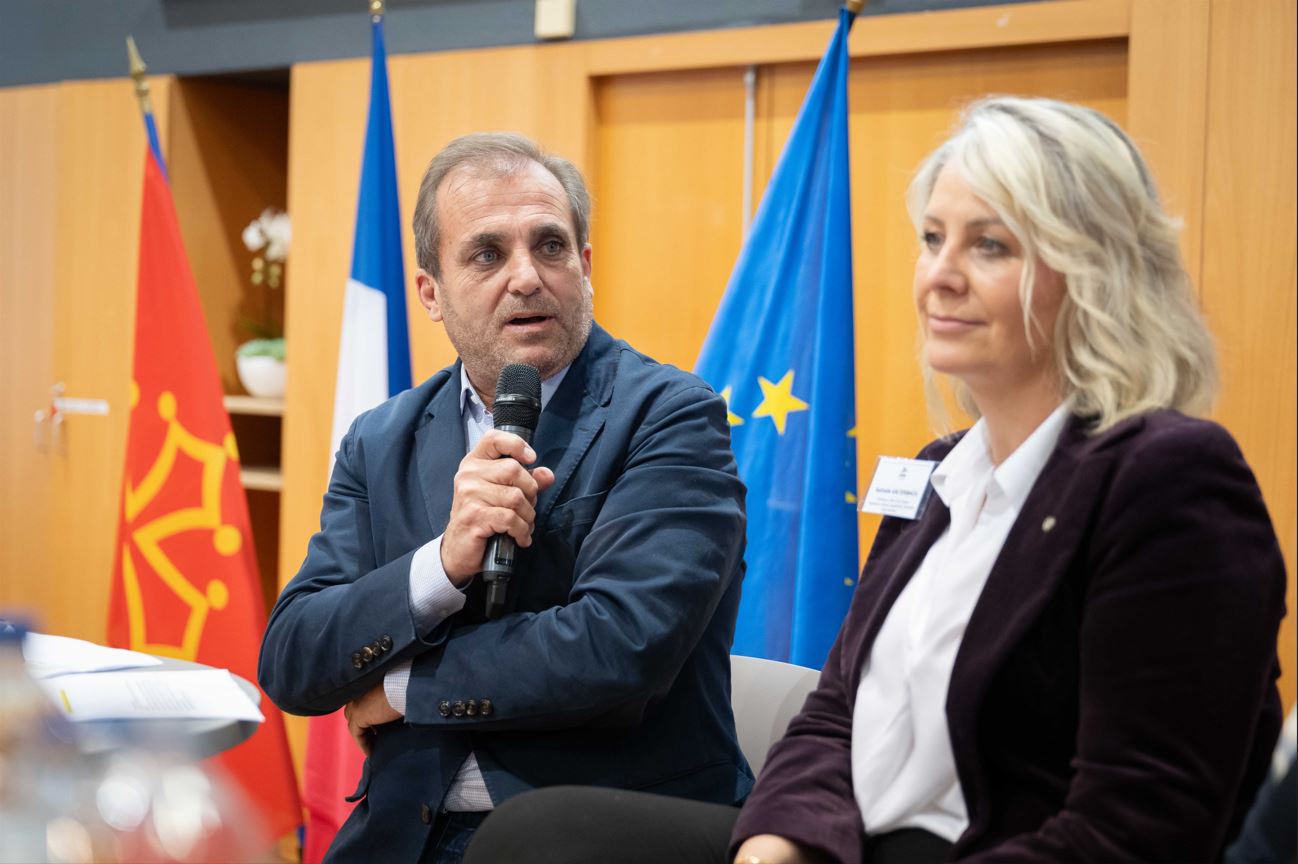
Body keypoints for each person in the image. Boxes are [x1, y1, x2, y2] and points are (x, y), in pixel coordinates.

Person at [463, 96, 1288, 864]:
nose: (941, 275)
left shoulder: (1169, 477)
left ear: (1094, 271)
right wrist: (773, 849)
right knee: (539, 837)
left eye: (989, 246)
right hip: (854, 844)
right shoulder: (935, 473)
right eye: (933, 239)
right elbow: (835, 717)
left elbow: (1140, 824)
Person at [258, 132, 753, 864]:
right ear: (431, 293)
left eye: (550, 247)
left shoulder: (670, 416)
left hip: (598, 835)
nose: (526, 277)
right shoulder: (381, 439)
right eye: (487, 255)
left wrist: (400, 691)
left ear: (584, 267)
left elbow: (619, 645)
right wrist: (439, 566)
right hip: (403, 836)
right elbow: (293, 658)